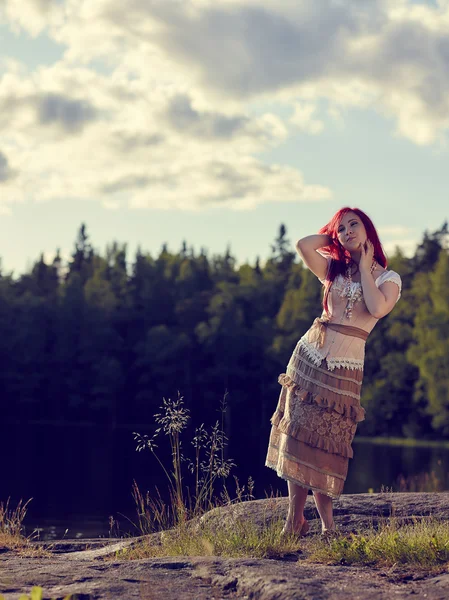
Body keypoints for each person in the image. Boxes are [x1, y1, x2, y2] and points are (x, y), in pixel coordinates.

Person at [265, 207, 402, 537]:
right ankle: (293, 520)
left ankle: (328, 526)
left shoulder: (389, 279)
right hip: (309, 358)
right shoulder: (334, 270)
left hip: (345, 368)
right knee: (298, 438)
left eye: (354, 225)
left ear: (368, 229)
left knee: (328, 444)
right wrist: (336, 238)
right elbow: (303, 245)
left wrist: (366, 267)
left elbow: (377, 308)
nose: (348, 231)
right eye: (343, 228)